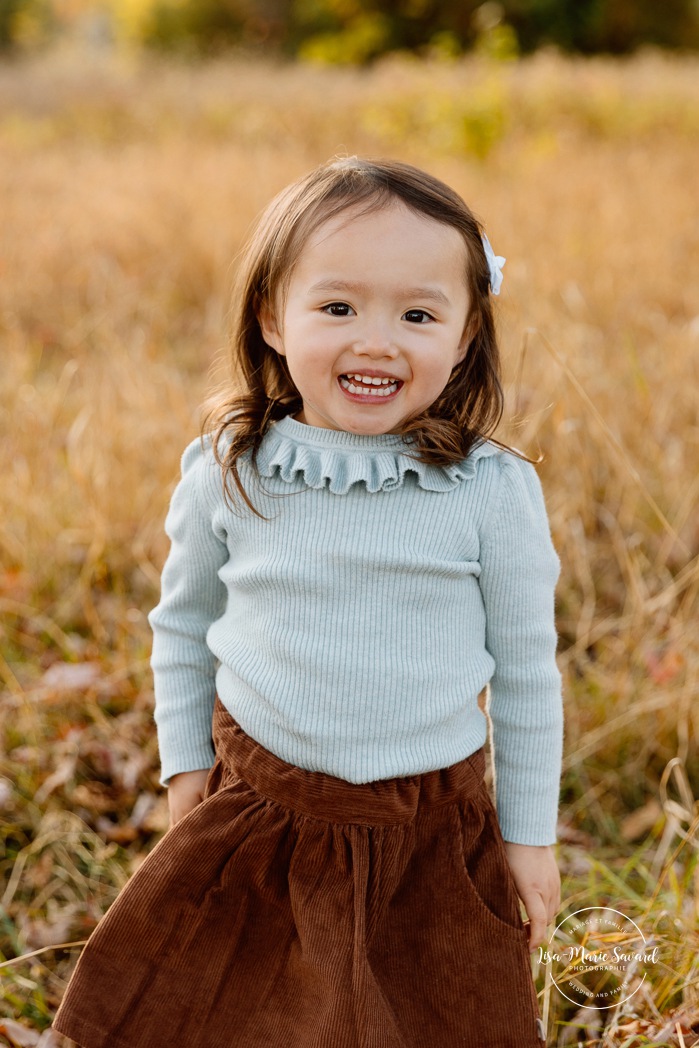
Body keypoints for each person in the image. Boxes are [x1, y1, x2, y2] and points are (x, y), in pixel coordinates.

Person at [53, 156, 563, 1048]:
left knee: (436, 1015)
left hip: (430, 834)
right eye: (337, 308)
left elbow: (526, 673)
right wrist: (184, 777)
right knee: (234, 1014)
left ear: (466, 330)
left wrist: (527, 839)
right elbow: (181, 629)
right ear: (271, 319)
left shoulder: (490, 488)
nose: (376, 340)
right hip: (261, 816)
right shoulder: (231, 468)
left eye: (417, 313)